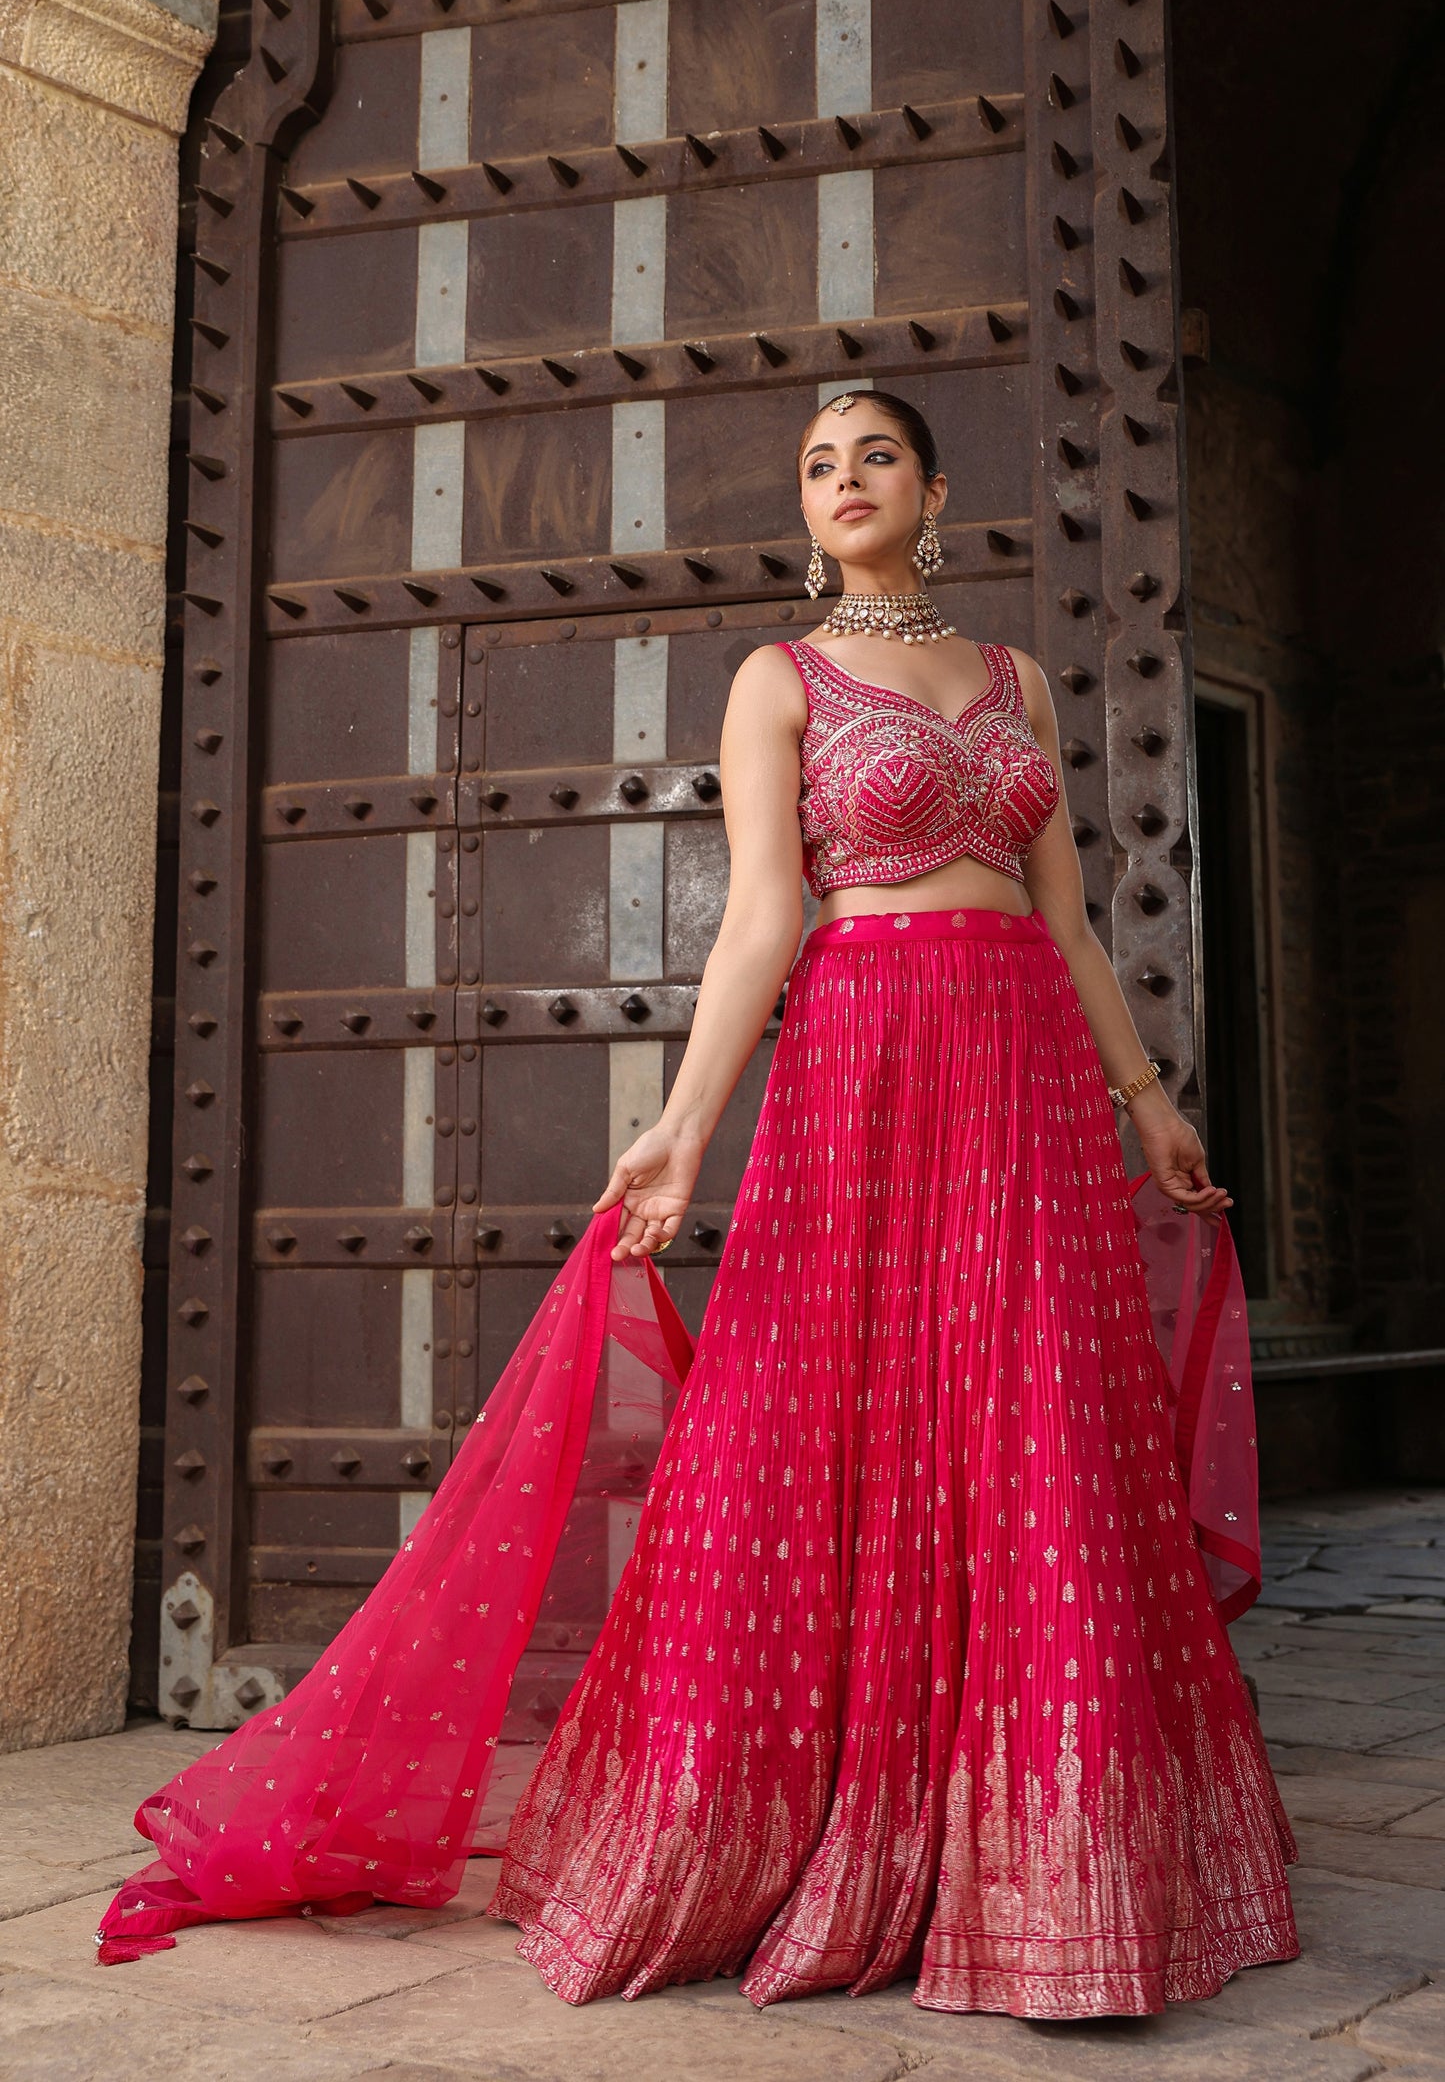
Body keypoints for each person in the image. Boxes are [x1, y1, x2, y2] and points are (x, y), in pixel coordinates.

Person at [98, 390, 1297, 2018]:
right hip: (862, 1056)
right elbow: (756, 924)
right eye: (817, 465)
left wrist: (1147, 1104)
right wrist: (675, 1129)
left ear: (930, 489)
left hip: (1021, 1066)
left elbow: (1067, 919)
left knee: (1038, 1422)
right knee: (835, 1421)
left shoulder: (1013, 681)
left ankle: (1047, 1875)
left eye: (873, 454)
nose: (844, 480)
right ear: (803, 509)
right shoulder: (776, 681)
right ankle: (812, 1828)